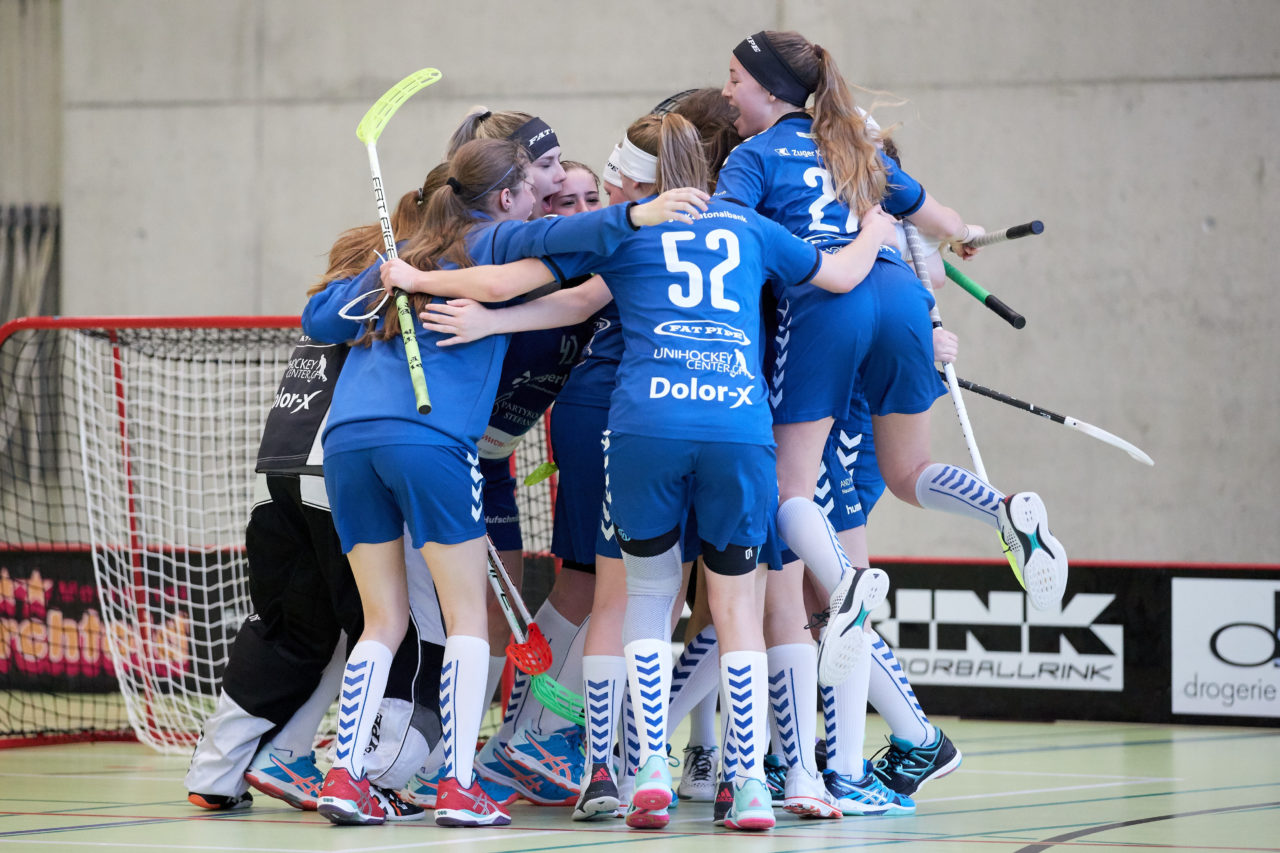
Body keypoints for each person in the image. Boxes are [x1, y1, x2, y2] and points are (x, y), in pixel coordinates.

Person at [383, 109, 901, 833]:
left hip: (645, 426)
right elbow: (841, 275)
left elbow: (520, 276)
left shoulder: (629, 227)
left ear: (643, 175)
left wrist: (417, 275)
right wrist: (879, 230)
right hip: (738, 428)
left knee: (643, 601)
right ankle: (749, 785)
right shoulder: (747, 224)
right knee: (735, 609)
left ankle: (641, 765)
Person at [304, 136, 706, 828]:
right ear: (505, 197)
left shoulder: (401, 251)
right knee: (468, 620)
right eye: (532, 184)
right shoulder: (498, 240)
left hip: (346, 443)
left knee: (383, 619)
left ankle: (344, 776)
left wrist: (390, 276)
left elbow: (317, 318)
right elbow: (573, 233)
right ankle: (458, 784)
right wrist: (642, 214)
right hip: (428, 441)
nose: (542, 196)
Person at [716, 28, 1067, 813]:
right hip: (904, 297)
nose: (728, 92)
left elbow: (724, 235)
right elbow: (940, 216)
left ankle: (842, 590)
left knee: (783, 491)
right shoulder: (854, 144)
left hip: (828, 302)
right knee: (910, 472)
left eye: (735, 78)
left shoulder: (753, 158)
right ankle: (1006, 511)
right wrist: (965, 235)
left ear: (770, 90)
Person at [184, 177, 449, 822]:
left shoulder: (322, 320)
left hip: (275, 485)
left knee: (290, 633)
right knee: (393, 627)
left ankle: (220, 770)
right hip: (337, 486)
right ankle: (378, 772)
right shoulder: (384, 305)